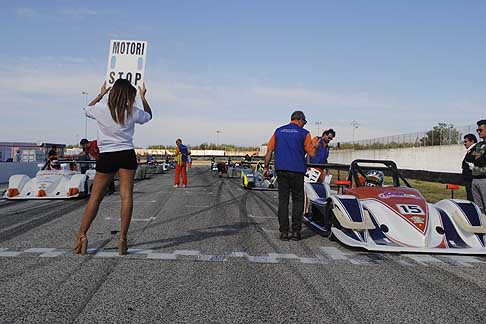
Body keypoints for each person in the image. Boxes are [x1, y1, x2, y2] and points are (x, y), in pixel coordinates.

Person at [73, 79, 152, 256]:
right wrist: (143, 97)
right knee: (126, 197)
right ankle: (122, 239)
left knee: (95, 198)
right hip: (126, 154)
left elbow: (86, 109)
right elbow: (149, 115)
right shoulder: (132, 111)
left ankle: (82, 236)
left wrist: (101, 93)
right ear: (128, 95)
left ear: (112, 92)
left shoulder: (101, 108)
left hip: (107, 155)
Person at [264, 110, 317, 241]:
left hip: (281, 170)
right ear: (300, 120)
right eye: (304, 122)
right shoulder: (304, 133)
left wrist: (265, 167)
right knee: (298, 201)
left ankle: (283, 232)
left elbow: (269, 150)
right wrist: (315, 146)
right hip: (297, 170)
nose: (304, 124)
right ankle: (296, 232)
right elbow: (312, 154)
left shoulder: (278, 131)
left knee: (283, 200)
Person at [465, 120, 486, 213]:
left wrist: (477, 157)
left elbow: (482, 161)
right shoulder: (479, 145)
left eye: (480, 130)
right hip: (475, 178)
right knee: (479, 209)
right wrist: (477, 157)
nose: (478, 132)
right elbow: (469, 158)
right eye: (477, 130)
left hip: (484, 179)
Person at [462, 134, 478, 201]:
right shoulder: (470, 151)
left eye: (466, 141)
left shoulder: (475, 150)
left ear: (472, 141)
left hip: (471, 179)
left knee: (472, 198)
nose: (464, 144)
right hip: (468, 179)